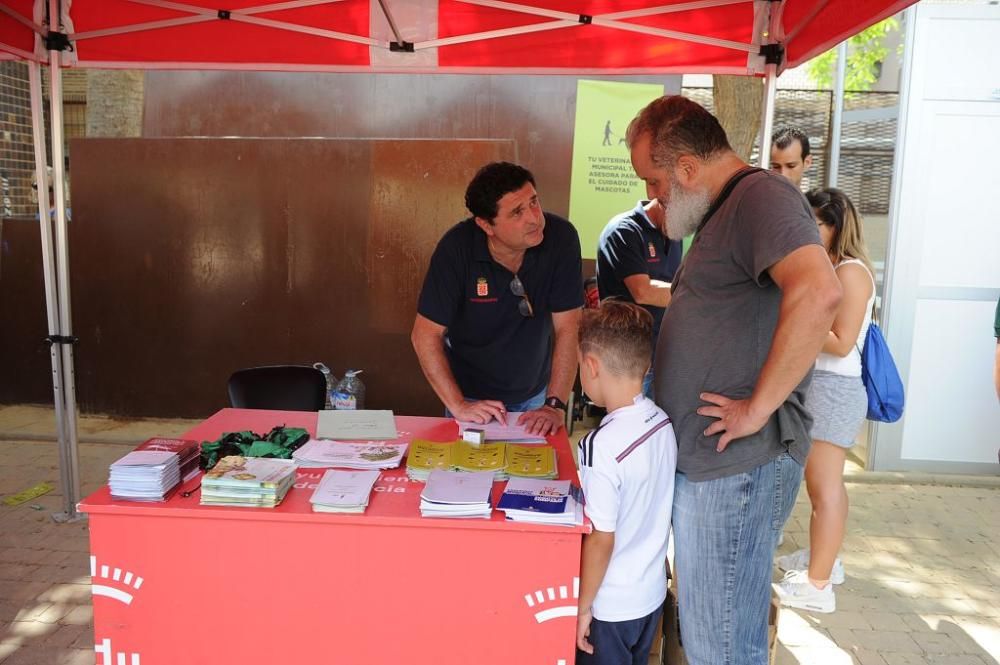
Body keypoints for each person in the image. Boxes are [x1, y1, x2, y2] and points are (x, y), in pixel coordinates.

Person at [625, 95, 842, 665]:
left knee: (721, 646)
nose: (653, 197)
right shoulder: (727, 208)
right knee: (710, 638)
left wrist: (758, 407)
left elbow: (820, 293)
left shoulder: (761, 196)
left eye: (655, 180)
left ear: (688, 169)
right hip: (717, 467)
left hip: (736, 468)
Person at [411, 161, 583, 436]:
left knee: (531, 477)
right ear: (485, 224)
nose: (534, 218)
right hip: (472, 399)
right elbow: (425, 335)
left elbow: (569, 327)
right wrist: (458, 405)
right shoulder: (456, 249)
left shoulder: (561, 238)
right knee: (468, 476)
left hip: (536, 397)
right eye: (517, 212)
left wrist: (555, 404)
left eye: (534, 202)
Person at [773, 189, 875, 614]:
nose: (807, 229)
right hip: (823, 389)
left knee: (824, 488)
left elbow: (842, 341)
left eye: (815, 222)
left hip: (835, 390)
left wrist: (791, 324)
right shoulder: (829, 266)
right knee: (825, 488)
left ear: (837, 226)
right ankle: (824, 563)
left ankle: (817, 587)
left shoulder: (851, 271)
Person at [575, 300, 676, 665]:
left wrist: (583, 607)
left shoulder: (599, 446)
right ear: (646, 366)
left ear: (591, 366)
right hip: (649, 598)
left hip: (609, 607)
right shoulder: (663, 424)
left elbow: (602, 536)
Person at [596, 199, 683, 398]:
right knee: (630, 427)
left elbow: (672, 285)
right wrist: (697, 296)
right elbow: (643, 292)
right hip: (626, 362)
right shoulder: (623, 231)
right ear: (663, 202)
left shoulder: (674, 234)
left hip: (660, 356)